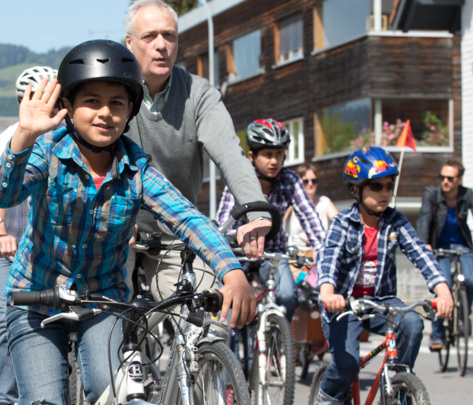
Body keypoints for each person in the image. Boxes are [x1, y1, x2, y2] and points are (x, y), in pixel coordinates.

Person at [0, 40, 256, 405]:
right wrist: (24, 134)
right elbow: (3, 191)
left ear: (131, 109)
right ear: (67, 105)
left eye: (117, 103)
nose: (105, 113)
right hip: (35, 299)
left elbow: (186, 217)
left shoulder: (136, 167)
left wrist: (231, 269)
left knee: (115, 399)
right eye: (91, 101)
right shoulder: (49, 150)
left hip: (104, 302)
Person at [301, 146, 452, 405]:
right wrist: (328, 292)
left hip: (381, 301)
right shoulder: (343, 223)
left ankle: (398, 392)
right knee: (346, 363)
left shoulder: (395, 222)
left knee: (411, 321)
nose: (385, 193)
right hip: (344, 305)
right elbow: (328, 258)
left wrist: (442, 289)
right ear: (357, 189)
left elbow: (420, 252)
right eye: (376, 186)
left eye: (389, 185)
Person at [124, 0, 274, 301]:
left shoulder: (199, 92)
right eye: (150, 36)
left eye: (169, 36)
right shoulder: (114, 90)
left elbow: (230, 152)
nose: (161, 45)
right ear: (129, 43)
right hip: (119, 228)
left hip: (176, 230)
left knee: (208, 315)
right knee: (108, 319)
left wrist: (256, 212)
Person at [0, 65, 57, 405]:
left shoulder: (65, 136)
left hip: (50, 243)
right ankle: (4, 398)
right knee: (5, 316)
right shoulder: (10, 138)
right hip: (12, 244)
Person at [216, 119, 326, 321]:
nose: (274, 161)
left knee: (287, 295)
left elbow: (310, 217)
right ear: (252, 156)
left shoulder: (291, 180)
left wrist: (322, 250)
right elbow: (224, 220)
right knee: (229, 309)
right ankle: (230, 350)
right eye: (267, 154)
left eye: (279, 154)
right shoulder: (238, 178)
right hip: (240, 253)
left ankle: (279, 342)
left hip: (273, 254)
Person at [416, 159, 473, 350]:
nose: (445, 181)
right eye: (442, 177)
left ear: (459, 179)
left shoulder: (467, 195)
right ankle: (437, 335)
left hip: (463, 245)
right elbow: (425, 218)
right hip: (439, 247)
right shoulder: (432, 194)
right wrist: (424, 243)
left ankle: (464, 315)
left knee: (471, 280)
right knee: (442, 285)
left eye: (450, 178)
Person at [284, 162, 338, 250]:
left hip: (318, 252)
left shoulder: (324, 201)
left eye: (314, 181)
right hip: (295, 255)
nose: (310, 184)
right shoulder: (292, 202)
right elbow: (279, 222)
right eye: (305, 181)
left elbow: (339, 222)